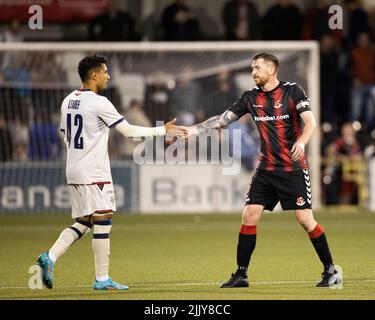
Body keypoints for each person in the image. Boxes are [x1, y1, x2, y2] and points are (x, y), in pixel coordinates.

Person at [185, 53, 342, 288]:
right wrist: (194, 130)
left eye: (257, 68)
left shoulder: (293, 91)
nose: (253, 72)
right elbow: (224, 119)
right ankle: (241, 275)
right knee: (249, 216)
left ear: (272, 69)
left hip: (292, 168)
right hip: (266, 168)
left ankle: (331, 271)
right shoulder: (250, 97)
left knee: (305, 219)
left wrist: (301, 142)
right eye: (252, 68)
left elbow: (310, 122)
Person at [36, 55, 186, 290]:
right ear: (94, 75)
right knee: (103, 220)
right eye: (105, 72)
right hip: (94, 172)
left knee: (84, 222)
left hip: (73, 170)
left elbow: (65, 135)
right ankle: (102, 279)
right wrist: (162, 130)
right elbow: (127, 131)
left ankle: (50, 257)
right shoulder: (99, 102)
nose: (108, 76)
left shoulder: (68, 100)